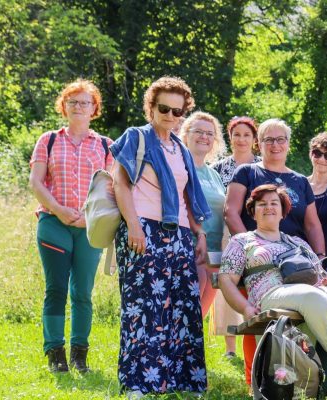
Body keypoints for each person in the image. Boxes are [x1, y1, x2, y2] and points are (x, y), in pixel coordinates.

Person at [110, 76, 211, 394]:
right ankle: (138, 382)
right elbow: (120, 183)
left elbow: (186, 196)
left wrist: (199, 233)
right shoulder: (136, 137)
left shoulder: (180, 149)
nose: (170, 116)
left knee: (181, 308)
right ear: (151, 107)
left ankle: (180, 380)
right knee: (143, 308)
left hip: (179, 235)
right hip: (144, 230)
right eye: (164, 109)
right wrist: (134, 225)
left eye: (177, 111)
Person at [29, 79, 113, 373]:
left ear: (94, 108)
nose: (78, 107)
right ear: (64, 106)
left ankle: (79, 355)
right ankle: (55, 353)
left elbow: (112, 189)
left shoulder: (106, 145)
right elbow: (35, 182)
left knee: (82, 292)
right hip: (54, 223)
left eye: (84, 102)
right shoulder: (49, 140)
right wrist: (59, 210)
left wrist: (90, 217)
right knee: (56, 288)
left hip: (90, 228)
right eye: (72, 101)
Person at [219, 184, 327, 353]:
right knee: (311, 296)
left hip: (308, 293)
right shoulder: (242, 241)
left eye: (274, 203)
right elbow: (226, 279)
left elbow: (320, 275)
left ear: (282, 212)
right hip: (269, 294)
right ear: (253, 212)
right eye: (262, 204)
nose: (268, 207)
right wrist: (245, 307)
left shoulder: (298, 242)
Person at [180, 111, 243, 359]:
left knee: (199, 313)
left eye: (209, 133)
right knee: (187, 308)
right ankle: (174, 360)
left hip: (215, 253)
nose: (204, 137)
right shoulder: (179, 166)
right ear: (186, 134)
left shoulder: (213, 174)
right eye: (198, 131)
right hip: (189, 246)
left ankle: (187, 361)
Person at [224, 119, 325, 255]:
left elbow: (312, 226)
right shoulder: (246, 172)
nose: (275, 144)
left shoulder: (301, 181)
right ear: (259, 144)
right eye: (269, 140)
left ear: (288, 143)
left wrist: (320, 257)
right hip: (256, 257)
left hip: (295, 257)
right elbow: (230, 213)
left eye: (281, 139)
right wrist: (252, 249)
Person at [212, 116, 260, 186]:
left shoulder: (264, 166)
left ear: (254, 139)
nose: (241, 139)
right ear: (230, 137)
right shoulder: (217, 168)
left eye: (246, 135)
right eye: (237, 135)